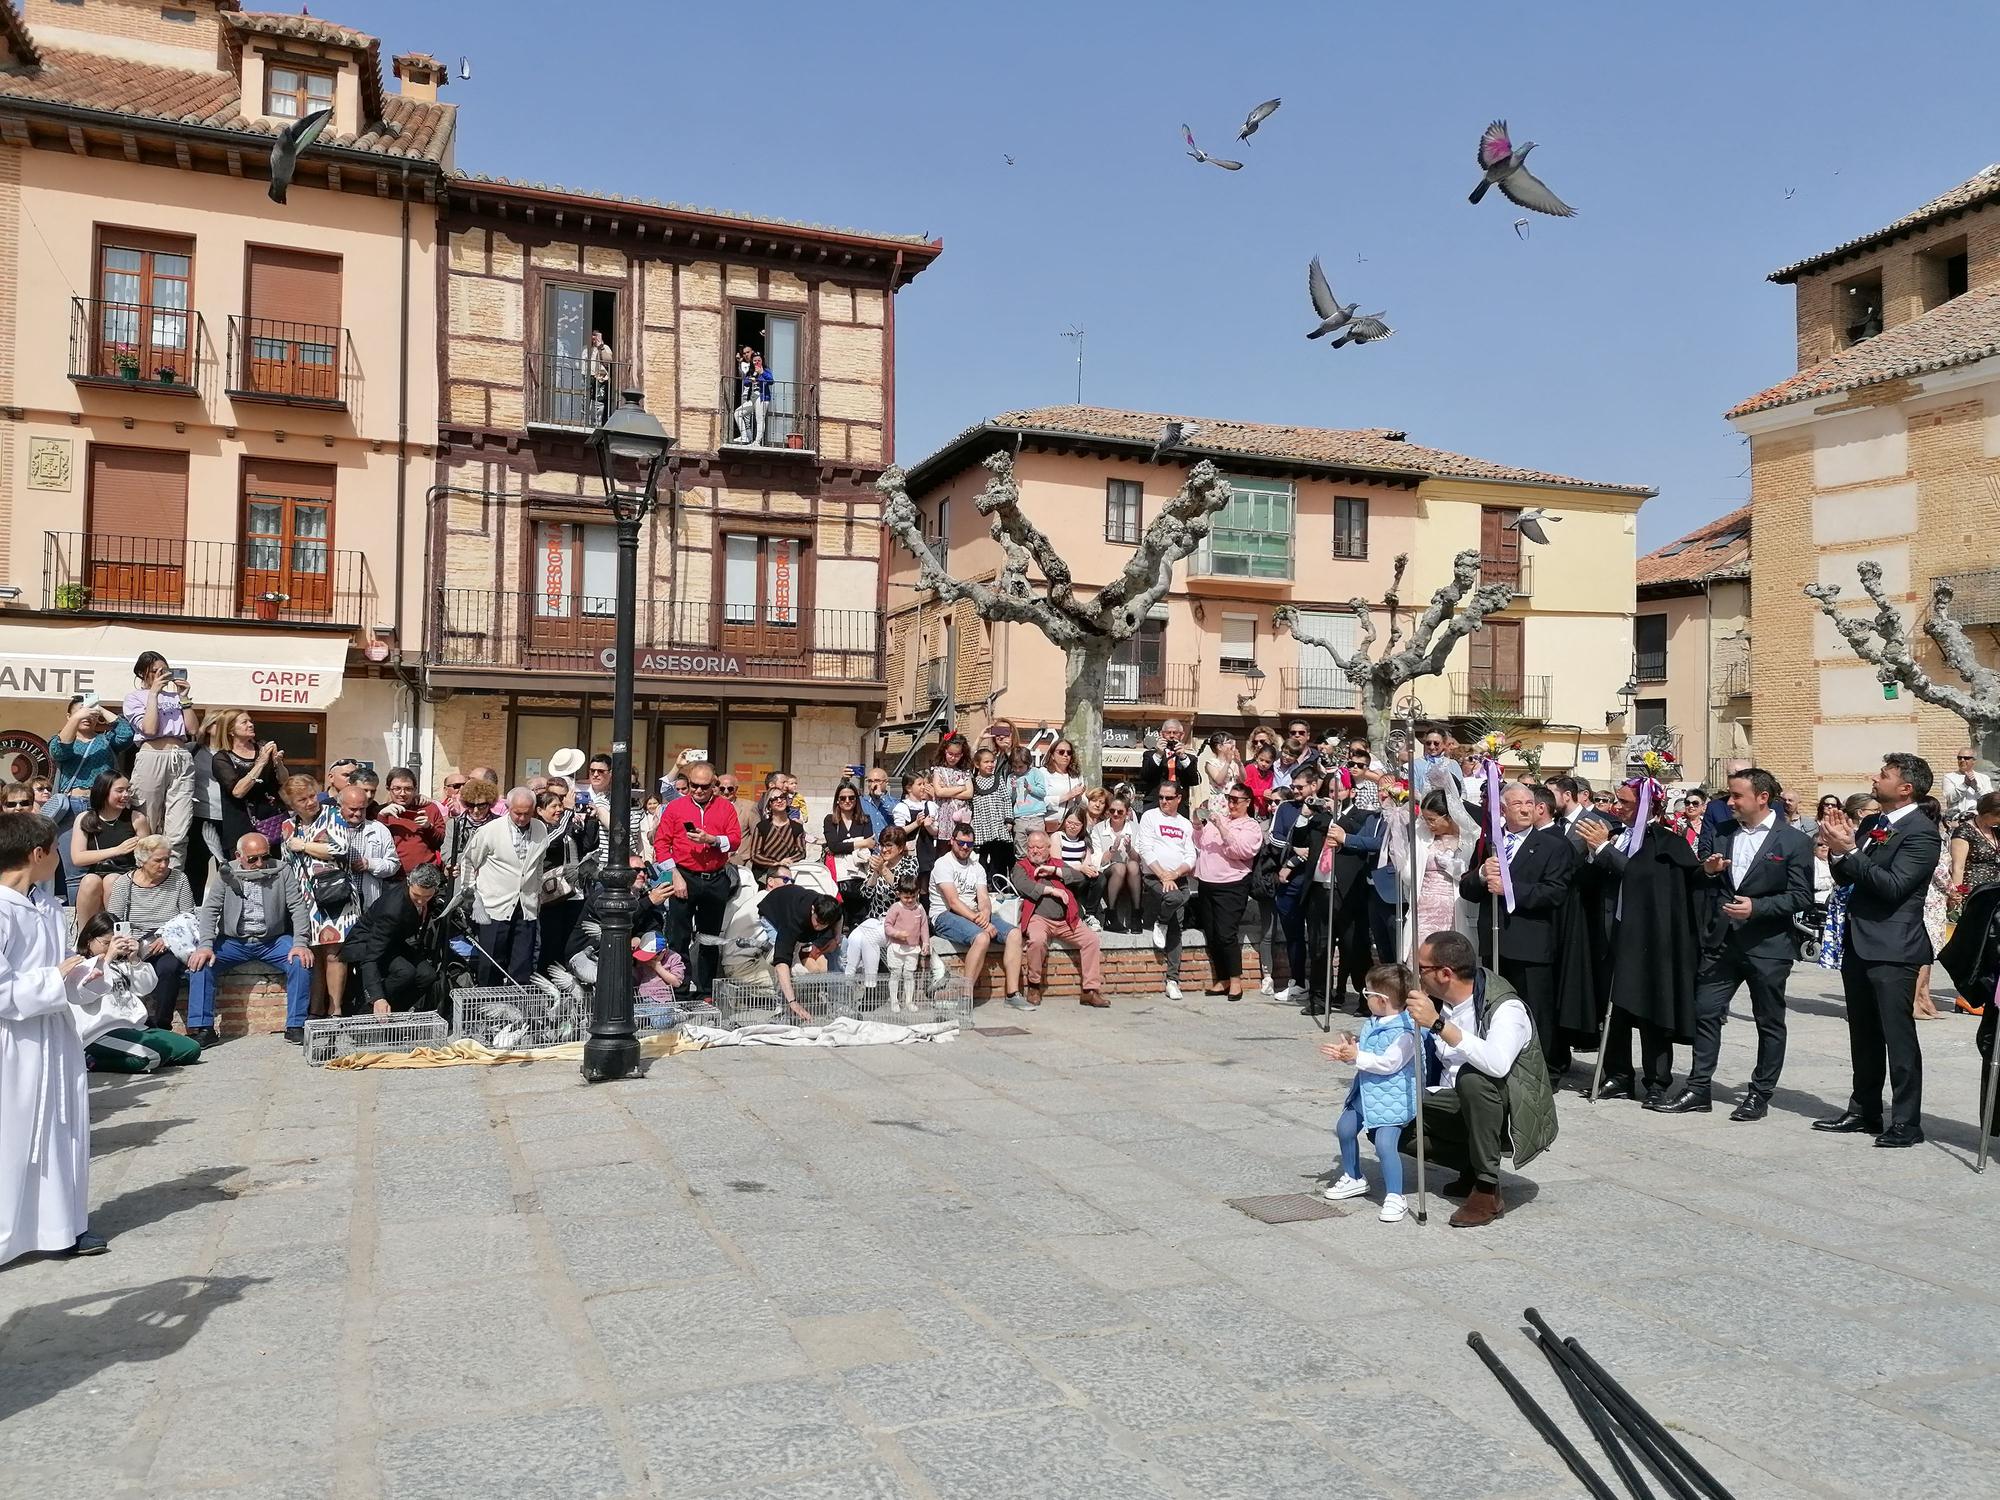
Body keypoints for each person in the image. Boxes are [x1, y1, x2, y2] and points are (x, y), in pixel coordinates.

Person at [1, 812, 146, 1264]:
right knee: (14, 1133)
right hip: (14, 1041)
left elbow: (66, 969)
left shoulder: (43, 904)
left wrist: (96, 969)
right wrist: (53, 977)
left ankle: (61, 1226)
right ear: (37, 854)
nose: (61, 859)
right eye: (55, 850)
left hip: (55, 1035)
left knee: (60, 1129)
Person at [1658, 767, 1816, 1119]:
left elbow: (1801, 896)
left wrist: (1757, 907)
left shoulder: (1792, 841)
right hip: (1722, 941)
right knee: (1706, 1011)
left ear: (1762, 797)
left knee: (1768, 1021)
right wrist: (1708, 871)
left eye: (1736, 796)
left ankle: (1760, 1092)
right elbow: (1703, 879)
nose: (1729, 802)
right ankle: (1699, 1087)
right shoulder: (1723, 832)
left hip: (1768, 945)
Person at [1813, 753, 1939, 1147]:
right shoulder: (1873, 823)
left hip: (1894, 946)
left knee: (1897, 1036)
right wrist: (1836, 850)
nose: (1874, 777)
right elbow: (1845, 874)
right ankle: (1863, 1109)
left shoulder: (1922, 832)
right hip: (1859, 941)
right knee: (1863, 1033)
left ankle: (1906, 1121)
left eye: (1884, 774)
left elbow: (1893, 886)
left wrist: (1850, 852)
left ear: (1906, 788)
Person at [1405, 928, 1557, 1228]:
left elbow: (1497, 1064)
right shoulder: (1442, 1002)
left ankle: (1487, 1189)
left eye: (1421, 969)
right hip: (1455, 1100)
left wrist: (1437, 1026)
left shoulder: (1506, 1009)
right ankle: (1471, 1168)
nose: (1416, 975)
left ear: (1445, 973)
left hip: (1506, 1110)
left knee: (1472, 1078)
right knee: (1389, 1121)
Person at [1578, 777, 1702, 1108]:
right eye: (1615, 801)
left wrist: (1604, 850)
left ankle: (1657, 1080)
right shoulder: (1617, 836)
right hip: (1611, 933)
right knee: (1613, 1009)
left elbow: (1640, 878)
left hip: (1648, 939)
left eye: (1625, 803)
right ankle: (1618, 1075)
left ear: (1648, 805)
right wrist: (1595, 854)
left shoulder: (1665, 843)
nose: (1616, 807)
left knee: (1651, 1010)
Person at [1459, 781, 1579, 1075]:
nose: (1525, 809)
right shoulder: (1490, 844)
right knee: (1497, 1006)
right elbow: (1468, 889)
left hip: (1531, 942)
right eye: (1517, 804)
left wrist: (1512, 889)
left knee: (1535, 1008)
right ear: (1503, 809)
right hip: (1496, 940)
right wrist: (1481, 875)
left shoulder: (1552, 845)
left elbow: (1554, 892)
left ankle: (1543, 1069)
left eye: (1529, 803)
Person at [187, 832, 314, 1044]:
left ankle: (295, 1025)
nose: (260, 863)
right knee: (200, 964)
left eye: (264, 856)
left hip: (271, 941)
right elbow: (210, 910)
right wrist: (205, 945)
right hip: (233, 941)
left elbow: (298, 907)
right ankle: (203, 1028)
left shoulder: (281, 870)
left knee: (302, 961)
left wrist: (300, 942)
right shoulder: (227, 872)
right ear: (239, 856)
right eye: (253, 859)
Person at [1321, 962, 1421, 1223]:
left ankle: (1395, 1196)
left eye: (1367, 994)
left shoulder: (1406, 1032)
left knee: (1385, 1144)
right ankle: (1354, 1176)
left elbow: (1390, 1063)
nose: (1365, 998)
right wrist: (1348, 1054)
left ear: (1382, 999)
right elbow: (1364, 1056)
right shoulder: (1373, 1023)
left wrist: (1357, 1056)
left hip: (1393, 1096)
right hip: (1366, 1091)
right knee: (1344, 1128)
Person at [652, 761, 742, 1000]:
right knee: (678, 936)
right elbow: (661, 844)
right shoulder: (675, 807)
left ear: (713, 784)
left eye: (704, 786)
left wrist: (711, 839)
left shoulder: (725, 808)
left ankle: (706, 992)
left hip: (714, 878)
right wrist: (675, 875)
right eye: (694, 785)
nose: (699, 791)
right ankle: (680, 990)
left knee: (710, 938)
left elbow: (734, 840)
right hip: (684, 875)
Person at [73, 914, 202, 1073]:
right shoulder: (79, 962)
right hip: (99, 1033)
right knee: (151, 1056)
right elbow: (85, 991)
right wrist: (108, 957)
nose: (111, 947)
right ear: (89, 940)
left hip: (135, 1028)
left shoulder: (122, 962)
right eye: (107, 943)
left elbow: (146, 987)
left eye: (116, 942)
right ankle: (91, 1060)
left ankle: (153, 1054)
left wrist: (135, 959)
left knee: (191, 1049)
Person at [103, 834, 197, 1033]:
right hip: (134, 943)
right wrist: (130, 945)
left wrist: (167, 938)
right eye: (158, 860)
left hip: (168, 942)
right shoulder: (124, 884)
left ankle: (163, 1025)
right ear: (142, 861)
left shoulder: (179, 879)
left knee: (168, 969)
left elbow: (188, 917)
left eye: (167, 859)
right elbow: (114, 921)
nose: (164, 865)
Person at [928, 825, 1025, 1008]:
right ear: (952, 841)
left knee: (1014, 934)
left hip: (973, 913)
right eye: (961, 843)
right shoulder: (943, 864)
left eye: (969, 844)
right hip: (944, 915)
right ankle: (965, 997)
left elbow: (983, 898)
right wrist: (980, 922)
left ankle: (1012, 994)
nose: (965, 847)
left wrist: (986, 913)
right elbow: (953, 902)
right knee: (981, 938)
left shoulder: (977, 867)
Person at [460, 788, 549, 986]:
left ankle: (515, 1011)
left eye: (527, 813)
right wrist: (470, 894)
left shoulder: (541, 829)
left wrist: (537, 891)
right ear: (508, 808)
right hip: (493, 907)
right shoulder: (489, 830)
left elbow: (539, 863)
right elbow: (468, 861)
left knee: (522, 964)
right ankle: (486, 1010)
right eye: (517, 812)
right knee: (491, 963)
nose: (522, 818)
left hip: (526, 907)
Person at [123, 652, 202, 871]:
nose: (161, 674)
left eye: (164, 670)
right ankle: (144, 875)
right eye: (155, 671)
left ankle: (174, 879)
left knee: (179, 825)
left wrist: (184, 697)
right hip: (152, 755)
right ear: (142, 674)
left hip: (180, 755)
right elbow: (149, 729)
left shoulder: (176, 697)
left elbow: (193, 730)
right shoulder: (134, 698)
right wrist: (154, 694)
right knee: (146, 821)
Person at [1013, 829, 1106, 1008]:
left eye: (1039, 847)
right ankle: (1034, 985)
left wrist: (1055, 871)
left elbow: (1080, 878)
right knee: (1038, 940)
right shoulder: (1021, 865)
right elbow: (1022, 884)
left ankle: (1090, 991)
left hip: (1066, 919)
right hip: (1038, 918)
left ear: (1048, 848)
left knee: (1091, 939)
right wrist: (1052, 890)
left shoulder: (1056, 863)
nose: (1034, 851)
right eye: (1031, 847)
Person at [342, 863, 444, 1018]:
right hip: (366, 943)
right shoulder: (393, 909)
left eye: (427, 897)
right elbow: (371, 957)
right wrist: (377, 997)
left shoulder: (425, 893)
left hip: (393, 941)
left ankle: (395, 1013)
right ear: (409, 882)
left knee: (427, 974)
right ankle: (367, 1012)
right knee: (405, 972)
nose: (421, 902)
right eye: (417, 896)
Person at [1389, 790, 1477, 958]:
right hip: (1424, 907)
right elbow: (1409, 876)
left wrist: (1453, 867)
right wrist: (1399, 855)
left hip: (1454, 906)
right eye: (1425, 819)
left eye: (1432, 820)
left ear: (1448, 816)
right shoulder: (1422, 837)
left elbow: (1472, 875)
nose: (1429, 825)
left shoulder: (1469, 838)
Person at [1195, 784, 1261, 1000]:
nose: (1231, 804)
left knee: (1226, 934)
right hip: (1207, 882)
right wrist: (1198, 824)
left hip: (1231, 885)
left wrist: (1222, 828)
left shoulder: (1251, 826)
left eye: (1236, 800)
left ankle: (1235, 981)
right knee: (1212, 935)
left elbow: (1241, 851)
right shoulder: (1218, 819)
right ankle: (1222, 978)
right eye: (1229, 798)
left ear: (1247, 803)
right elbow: (1201, 844)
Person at [1136, 781, 1197, 1002]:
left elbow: (1190, 855)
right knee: (1174, 898)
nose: (1163, 801)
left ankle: (1173, 980)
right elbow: (1145, 848)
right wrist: (1163, 875)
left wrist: (1175, 874)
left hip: (1177, 877)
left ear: (1178, 798)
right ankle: (1160, 920)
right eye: (1161, 797)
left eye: (1169, 798)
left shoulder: (1185, 824)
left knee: (1177, 926)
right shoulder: (1150, 817)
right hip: (1155, 876)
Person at [69, 771, 149, 931]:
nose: (126, 795)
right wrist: (117, 850)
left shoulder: (136, 818)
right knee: (89, 881)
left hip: (127, 875)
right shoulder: (85, 818)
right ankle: (84, 937)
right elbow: (78, 858)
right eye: (120, 791)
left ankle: (117, 935)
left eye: (128, 790)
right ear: (104, 791)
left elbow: (147, 857)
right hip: (97, 873)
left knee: (112, 880)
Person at [206, 711, 286, 856]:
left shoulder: (262, 747)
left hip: (271, 824)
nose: (250, 725)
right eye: (244, 722)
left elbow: (283, 780)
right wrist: (260, 763)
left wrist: (278, 763)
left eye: (251, 721)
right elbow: (238, 791)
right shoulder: (222, 758)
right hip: (241, 825)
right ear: (230, 730)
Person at [843, 824, 916, 982]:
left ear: (901, 847)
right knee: (854, 938)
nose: (884, 850)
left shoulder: (910, 864)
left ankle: (871, 987)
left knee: (870, 939)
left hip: (899, 921)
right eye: (882, 845)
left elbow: (904, 891)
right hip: (875, 919)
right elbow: (865, 893)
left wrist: (883, 870)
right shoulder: (878, 863)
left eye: (889, 846)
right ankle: (847, 982)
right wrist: (875, 873)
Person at [759, 884, 843, 1020]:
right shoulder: (792, 923)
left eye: (824, 924)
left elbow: (839, 917)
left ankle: (838, 1002)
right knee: (785, 961)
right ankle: (782, 1009)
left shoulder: (831, 909)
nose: (818, 926)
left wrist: (837, 937)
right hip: (773, 913)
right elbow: (781, 963)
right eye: (818, 921)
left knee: (841, 947)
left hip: (801, 926)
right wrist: (793, 1003)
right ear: (812, 910)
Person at [534, 786, 594, 979]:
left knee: (571, 942)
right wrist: (569, 812)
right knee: (551, 942)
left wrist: (590, 820)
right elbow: (551, 843)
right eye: (554, 806)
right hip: (551, 895)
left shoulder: (567, 826)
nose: (559, 809)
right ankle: (547, 982)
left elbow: (588, 845)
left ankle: (568, 981)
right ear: (540, 810)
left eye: (561, 805)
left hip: (575, 893)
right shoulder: (538, 828)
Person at [1915, 795, 1954, 1020]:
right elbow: (1939, 871)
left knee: (1928, 953)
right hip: (1932, 898)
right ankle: (1918, 999)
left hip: (1932, 897)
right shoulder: (1932, 836)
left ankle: (1925, 996)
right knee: (1926, 950)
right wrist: (1953, 890)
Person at [822, 781, 877, 921]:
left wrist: (845, 845)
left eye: (851, 797)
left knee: (859, 917)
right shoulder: (830, 820)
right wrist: (862, 842)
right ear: (837, 801)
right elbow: (834, 846)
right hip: (838, 876)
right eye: (843, 798)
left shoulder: (865, 820)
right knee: (838, 917)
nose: (847, 801)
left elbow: (870, 846)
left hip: (859, 875)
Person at [1090, 794, 1143, 933]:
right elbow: (1098, 860)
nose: (1115, 814)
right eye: (1112, 810)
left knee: (1132, 865)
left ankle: (1136, 913)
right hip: (1109, 871)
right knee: (1119, 867)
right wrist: (1112, 850)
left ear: (1127, 812)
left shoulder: (1136, 828)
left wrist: (1129, 848)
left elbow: (1138, 859)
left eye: (1120, 812)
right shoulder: (1098, 829)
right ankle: (1111, 914)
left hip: (1132, 873)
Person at [968, 743, 1016, 881]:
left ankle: (999, 884)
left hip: (998, 826)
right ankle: (984, 884)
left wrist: (1008, 819)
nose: (990, 764)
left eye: (992, 761)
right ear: (977, 764)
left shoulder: (998, 779)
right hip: (982, 826)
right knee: (982, 858)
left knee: (999, 858)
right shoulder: (973, 783)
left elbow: (1006, 799)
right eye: (986, 762)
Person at [741, 788, 804, 890]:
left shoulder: (797, 827)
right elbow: (755, 855)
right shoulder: (762, 826)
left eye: (782, 797)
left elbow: (801, 852)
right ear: (768, 804)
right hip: (763, 876)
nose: (779, 801)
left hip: (788, 876)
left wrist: (789, 860)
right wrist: (776, 864)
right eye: (774, 799)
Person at [882, 874, 930, 1007]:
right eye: (906, 897)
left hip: (913, 948)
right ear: (899, 894)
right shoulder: (896, 908)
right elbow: (887, 926)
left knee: (909, 975)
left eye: (913, 897)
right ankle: (894, 1001)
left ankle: (909, 1001)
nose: (910, 900)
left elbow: (924, 927)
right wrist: (897, 933)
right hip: (896, 947)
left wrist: (925, 943)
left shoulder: (920, 908)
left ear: (918, 893)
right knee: (895, 974)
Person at [1950, 790, 2000, 904]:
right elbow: (1958, 866)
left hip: (1994, 890)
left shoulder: (1996, 831)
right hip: (1975, 891)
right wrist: (1957, 894)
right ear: (1988, 813)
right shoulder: (1965, 831)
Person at [1135, 719, 1198, 810]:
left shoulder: (1190, 759)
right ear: (1161, 734)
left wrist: (1183, 757)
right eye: (1168, 732)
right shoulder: (1149, 755)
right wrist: (1158, 754)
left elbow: (1194, 781)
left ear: (1182, 735)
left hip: (1179, 806)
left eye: (1175, 733)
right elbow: (1145, 776)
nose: (1172, 736)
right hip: (1154, 804)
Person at [1039, 739, 1086, 830]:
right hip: (1048, 825)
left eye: (1069, 753)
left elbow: (1083, 805)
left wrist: (1079, 796)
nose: (1065, 755)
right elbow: (1039, 802)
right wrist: (1067, 796)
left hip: (1071, 826)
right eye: (1061, 752)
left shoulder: (1076, 776)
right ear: (1052, 755)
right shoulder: (1043, 773)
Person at [1195, 732, 1242, 820]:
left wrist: (1239, 763)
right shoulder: (1211, 763)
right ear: (1219, 747)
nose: (1232, 744)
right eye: (1228, 742)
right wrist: (1227, 763)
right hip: (1219, 801)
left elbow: (1242, 780)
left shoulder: (1234, 764)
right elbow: (1219, 780)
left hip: (1233, 799)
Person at [1413, 727, 1465, 794]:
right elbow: (1414, 790)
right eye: (1428, 743)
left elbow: (1462, 790)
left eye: (1436, 743)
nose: (1432, 747)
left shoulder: (1453, 764)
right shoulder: (1416, 764)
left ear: (1444, 744)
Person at [1944, 750, 1993, 821]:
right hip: (1956, 820)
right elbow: (1950, 798)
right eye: (1959, 758)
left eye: (1966, 758)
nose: (1962, 760)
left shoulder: (1984, 778)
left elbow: (1989, 801)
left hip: (1978, 820)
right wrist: (1965, 785)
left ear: (1974, 761)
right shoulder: (1949, 777)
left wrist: (1976, 788)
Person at [859, 766, 899, 836]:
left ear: (886, 782)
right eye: (870, 781)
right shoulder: (861, 802)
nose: (873, 784)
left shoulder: (895, 802)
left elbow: (896, 814)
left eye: (877, 781)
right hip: (868, 845)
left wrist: (881, 796)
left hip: (888, 844)